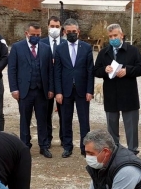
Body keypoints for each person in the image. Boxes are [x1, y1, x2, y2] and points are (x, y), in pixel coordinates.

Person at [93, 24, 141, 155]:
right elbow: (96, 71)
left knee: (131, 125)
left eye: (115, 35)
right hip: (111, 94)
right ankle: (114, 151)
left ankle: (132, 150)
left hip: (128, 94)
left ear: (121, 35)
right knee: (112, 125)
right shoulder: (104, 52)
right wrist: (105, 70)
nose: (113, 38)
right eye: (110, 36)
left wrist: (127, 70)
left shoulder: (132, 50)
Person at [8, 22, 54, 158]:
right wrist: (14, 89)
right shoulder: (17, 48)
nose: (35, 37)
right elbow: (12, 69)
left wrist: (51, 88)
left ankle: (44, 146)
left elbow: (50, 71)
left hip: (41, 90)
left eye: (38, 35)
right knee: (25, 119)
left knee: (43, 120)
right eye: (33, 34)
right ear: (26, 34)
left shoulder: (46, 48)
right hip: (24, 91)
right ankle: (25, 146)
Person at [54, 18, 94, 158]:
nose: (71, 34)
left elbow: (90, 71)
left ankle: (85, 147)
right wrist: (58, 91)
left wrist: (90, 90)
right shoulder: (59, 49)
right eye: (68, 31)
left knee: (84, 121)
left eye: (74, 31)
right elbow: (57, 72)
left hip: (82, 90)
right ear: (64, 32)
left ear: (78, 32)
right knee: (66, 119)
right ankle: (67, 146)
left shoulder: (87, 48)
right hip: (65, 91)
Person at [40, 16, 65, 145]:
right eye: (52, 26)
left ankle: (64, 138)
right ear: (47, 26)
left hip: (62, 83)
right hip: (47, 83)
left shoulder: (65, 43)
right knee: (46, 112)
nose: (54, 29)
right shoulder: (41, 43)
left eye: (57, 26)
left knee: (64, 113)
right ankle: (47, 138)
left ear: (61, 28)